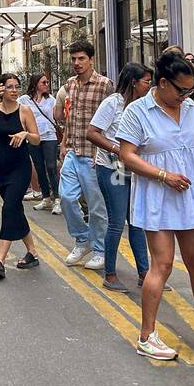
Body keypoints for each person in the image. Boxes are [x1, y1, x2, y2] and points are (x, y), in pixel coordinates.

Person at [117, 51, 194, 359]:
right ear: (163, 83)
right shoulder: (138, 112)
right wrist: (163, 175)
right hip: (157, 196)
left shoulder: (189, 108)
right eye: (181, 90)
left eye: (189, 90)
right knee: (162, 264)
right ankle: (147, 335)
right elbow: (127, 155)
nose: (185, 96)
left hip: (191, 193)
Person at [87, 62, 154, 293]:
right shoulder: (112, 103)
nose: (149, 86)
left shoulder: (142, 106)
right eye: (146, 81)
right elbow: (92, 133)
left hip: (133, 170)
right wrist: (117, 149)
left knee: (136, 222)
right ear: (134, 82)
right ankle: (110, 273)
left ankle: (144, 273)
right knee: (116, 222)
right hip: (112, 169)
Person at [0, 74, 42, 278]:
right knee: (15, 210)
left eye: (16, 87)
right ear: (1, 89)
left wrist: (26, 134)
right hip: (0, 169)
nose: (14, 90)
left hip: (20, 169)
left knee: (9, 208)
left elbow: (37, 140)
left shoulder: (25, 111)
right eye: (9, 87)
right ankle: (33, 252)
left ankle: (0, 260)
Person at [57, 40, 113, 272]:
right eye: (73, 59)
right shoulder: (70, 85)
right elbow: (70, 117)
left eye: (81, 58)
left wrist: (105, 152)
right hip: (72, 151)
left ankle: (100, 250)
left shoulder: (104, 85)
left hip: (94, 155)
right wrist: (63, 143)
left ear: (91, 60)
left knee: (96, 206)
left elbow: (112, 120)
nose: (77, 63)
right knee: (66, 198)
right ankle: (83, 239)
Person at [20, 73, 61, 212]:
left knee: (51, 167)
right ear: (35, 83)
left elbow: (58, 116)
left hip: (49, 136)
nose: (46, 85)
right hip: (33, 137)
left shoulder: (51, 100)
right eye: (43, 82)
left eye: (47, 82)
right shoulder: (25, 100)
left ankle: (57, 199)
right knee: (39, 168)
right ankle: (46, 198)